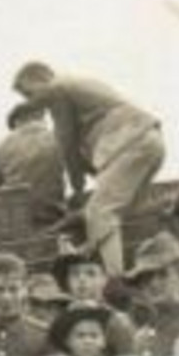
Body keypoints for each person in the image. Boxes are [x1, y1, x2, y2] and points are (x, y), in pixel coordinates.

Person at [12, 62, 165, 275]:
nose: (31, 101)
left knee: (99, 212)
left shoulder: (56, 88)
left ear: (41, 79)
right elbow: (86, 150)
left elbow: (67, 144)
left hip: (130, 142)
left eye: (29, 93)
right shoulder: (77, 87)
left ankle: (114, 281)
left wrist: (77, 189)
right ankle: (176, 207)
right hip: (149, 139)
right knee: (128, 210)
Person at [0, 101, 66, 225]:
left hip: (15, 222)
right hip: (53, 217)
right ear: (40, 117)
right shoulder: (58, 138)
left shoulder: (1, 147)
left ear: (17, 122)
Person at [53, 250, 135, 355]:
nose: (82, 279)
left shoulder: (116, 321)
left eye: (90, 273)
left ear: (104, 279)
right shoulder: (60, 319)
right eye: (75, 274)